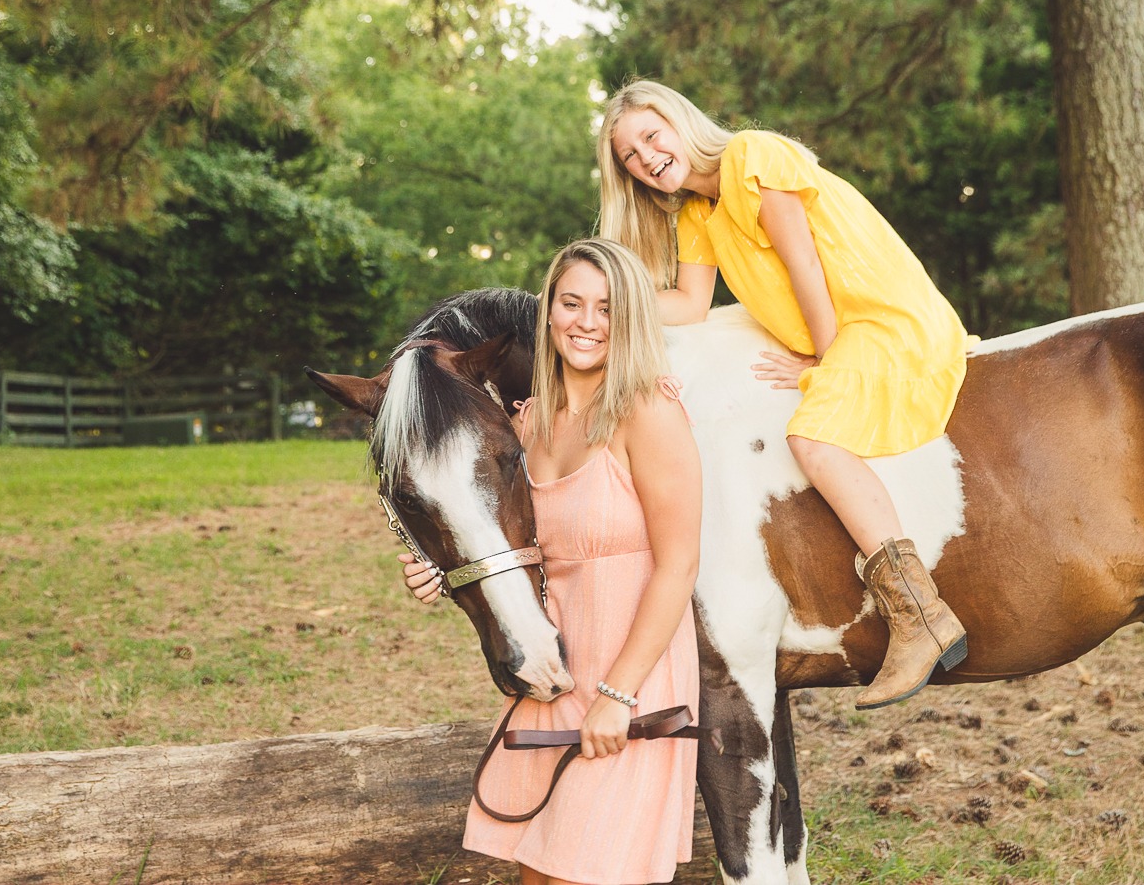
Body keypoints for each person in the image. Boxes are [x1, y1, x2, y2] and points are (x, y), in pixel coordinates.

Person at [596, 79, 971, 711]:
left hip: (878, 316)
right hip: (842, 327)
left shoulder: (752, 156)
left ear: (680, 124)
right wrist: (600, 301)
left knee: (813, 440)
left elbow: (804, 263)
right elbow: (688, 305)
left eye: (650, 137)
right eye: (630, 157)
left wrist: (818, 359)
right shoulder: (697, 216)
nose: (646, 159)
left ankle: (922, 614)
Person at [402, 238, 702, 885]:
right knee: (538, 871)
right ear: (548, 314)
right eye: (571, 303)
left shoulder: (647, 412)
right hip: (554, 668)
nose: (586, 322)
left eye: (605, 307)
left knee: (590, 869)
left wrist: (619, 695)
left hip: (633, 672)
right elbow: (507, 545)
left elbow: (679, 565)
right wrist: (438, 570)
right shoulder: (527, 424)